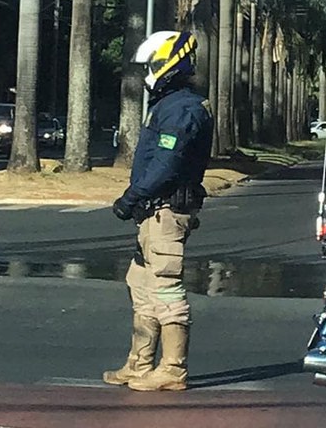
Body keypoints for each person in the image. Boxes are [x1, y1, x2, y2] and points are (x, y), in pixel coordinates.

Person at [104, 30, 213, 392]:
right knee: (141, 284)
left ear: (169, 64)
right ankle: (139, 365)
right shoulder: (169, 105)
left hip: (166, 211)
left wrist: (131, 197)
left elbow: (166, 163)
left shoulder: (183, 109)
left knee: (166, 289)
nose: (149, 71)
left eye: (153, 64)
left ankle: (172, 369)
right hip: (153, 212)